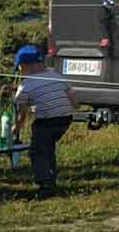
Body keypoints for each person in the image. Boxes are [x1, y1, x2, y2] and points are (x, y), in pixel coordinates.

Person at [12, 44, 75, 196]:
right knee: (48, 147)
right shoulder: (57, 75)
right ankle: (51, 176)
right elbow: (74, 101)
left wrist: (16, 128)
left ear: (26, 65)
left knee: (38, 151)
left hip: (46, 121)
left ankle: (45, 183)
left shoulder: (25, 85)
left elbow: (22, 114)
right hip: (65, 119)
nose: (20, 71)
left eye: (20, 67)